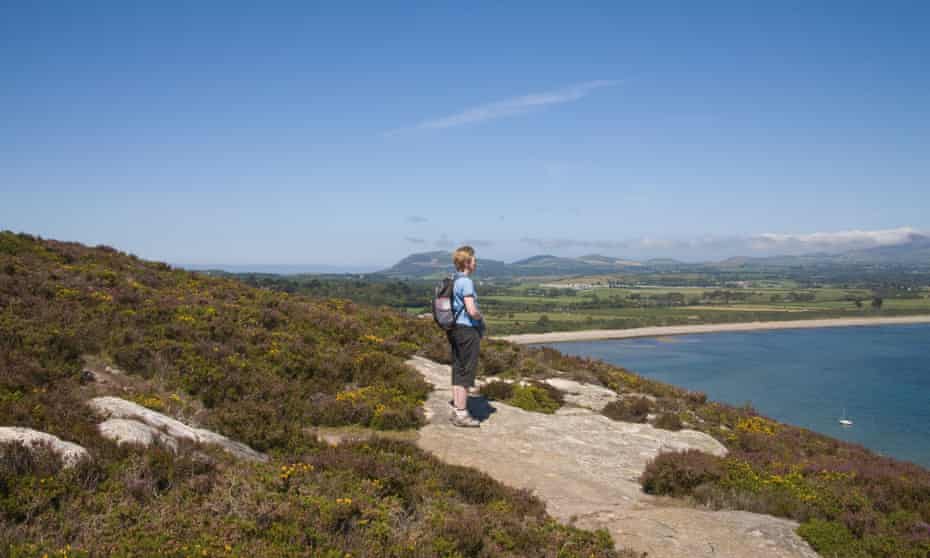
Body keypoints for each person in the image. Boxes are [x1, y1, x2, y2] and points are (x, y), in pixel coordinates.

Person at [448, 245, 485, 427]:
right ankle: (462, 414)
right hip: (467, 331)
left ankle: (457, 410)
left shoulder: (455, 280)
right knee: (466, 372)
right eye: (474, 260)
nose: (475, 263)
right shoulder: (467, 282)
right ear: (467, 262)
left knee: (457, 368)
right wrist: (480, 317)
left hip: (455, 330)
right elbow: (471, 310)